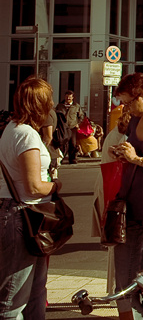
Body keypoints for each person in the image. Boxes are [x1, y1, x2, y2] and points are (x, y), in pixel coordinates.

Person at [0, 77, 60, 320]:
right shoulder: (26, 135)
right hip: (22, 217)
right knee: (12, 300)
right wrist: (55, 186)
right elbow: (34, 186)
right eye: (49, 100)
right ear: (39, 104)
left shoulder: (12, 129)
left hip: (18, 214)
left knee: (35, 292)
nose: (53, 104)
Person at [111, 72, 143, 320]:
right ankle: (127, 315)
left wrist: (136, 159)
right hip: (128, 202)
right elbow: (132, 152)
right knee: (124, 267)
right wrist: (122, 153)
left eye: (129, 102)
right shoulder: (134, 120)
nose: (126, 108)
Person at [55, 90, 82, 165]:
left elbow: (81, 116)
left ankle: (72, 158)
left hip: (72, 127)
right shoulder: (60, 106)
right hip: (62, 127)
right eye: (66, 97)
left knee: (73, 143)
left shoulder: (76, 106)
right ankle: (61, 158)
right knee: (62, 143)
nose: (68, 98)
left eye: (69, 97)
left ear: (72, 98)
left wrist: (77, 123)